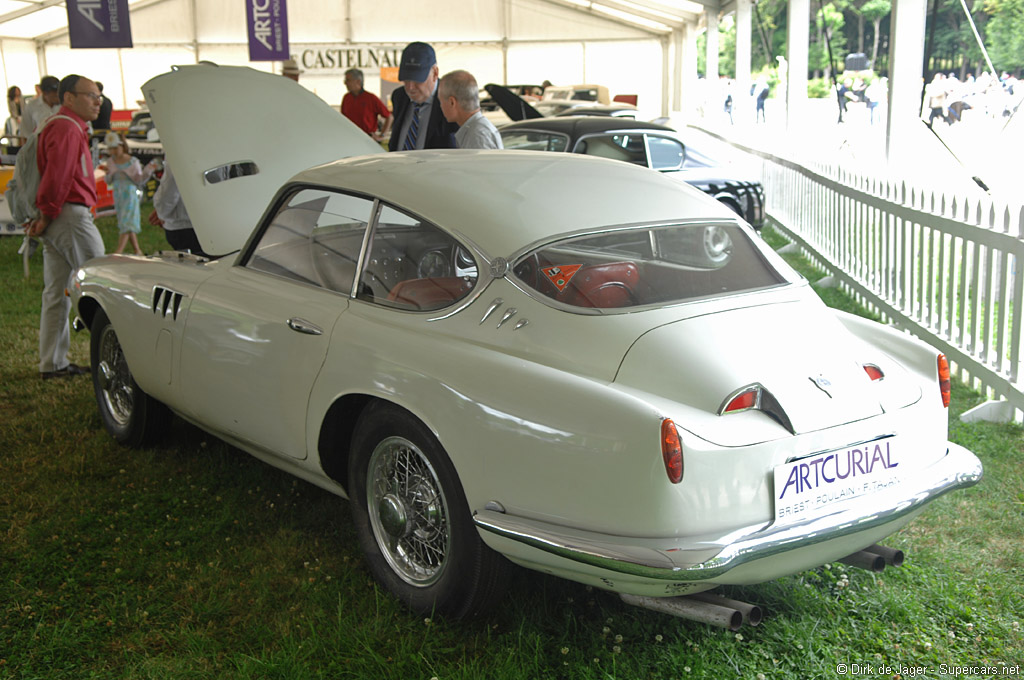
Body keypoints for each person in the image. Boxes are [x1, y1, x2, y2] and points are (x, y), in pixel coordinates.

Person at [25, 74, 105, 379]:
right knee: (101, 284)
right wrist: (47, 213)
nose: (98, 102)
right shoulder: (67, 128)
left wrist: (45, 216)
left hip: (59, 216)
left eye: (98, 96)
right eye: (91, 96)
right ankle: (113, 357)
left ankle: (53, 363)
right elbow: (57, 177)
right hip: (67, 217)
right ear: (69, 98)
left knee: (56, 293)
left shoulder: (59, 125)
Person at [388, 42, 457, 151]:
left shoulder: (453, 100)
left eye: (417, 80)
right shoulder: (399, 96)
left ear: (435, 73)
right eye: (406, 79)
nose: (410, 87)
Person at [103, 131, 156, 255]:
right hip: (118, 193)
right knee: (124, 220)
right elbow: (109, 180)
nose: (113, 152)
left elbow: (139, 179)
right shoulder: (111, 162)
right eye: (111, 149)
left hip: (129, 193)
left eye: (116, 148)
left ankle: (119, 251)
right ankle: (137, 250)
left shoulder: (132, 162)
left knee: (127, 220)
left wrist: (148, 171)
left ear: (122, 146)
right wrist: (107, 174)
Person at [148, 160, 206, 256]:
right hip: (219, 223)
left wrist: (162, 212)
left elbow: (170, 187)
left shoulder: (182, 147)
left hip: (185, 227)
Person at [438, 70, 503, 150]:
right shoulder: (476, 130)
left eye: (441, 101)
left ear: (452, 102)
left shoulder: (477, 136)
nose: (440, 106)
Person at [341, 68, 392, 141]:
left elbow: (389, 117)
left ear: (358, 81)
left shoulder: (371, 98)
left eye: (348, 80)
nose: (345, 83)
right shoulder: (346, 98)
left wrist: (382, 135)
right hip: (350, 138)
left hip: (368, 139)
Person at [5, 85, 22, 153]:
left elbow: (23, 109)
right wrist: (16, 117)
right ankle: (14, 145)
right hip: (14, 118)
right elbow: (12, 110)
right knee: (14, 131)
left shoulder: (21, 99)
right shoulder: (10, 100)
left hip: (22, 117)